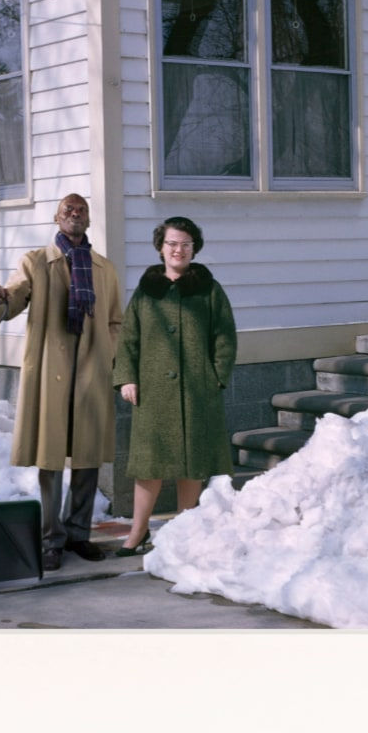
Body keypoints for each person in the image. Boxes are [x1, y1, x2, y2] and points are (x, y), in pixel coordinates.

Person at [0, 194, 123, 571]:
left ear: (89, 220)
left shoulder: (103, 268)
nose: (75, 215)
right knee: (51, 455)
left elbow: (115, 320)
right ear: (56, 218)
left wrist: (107, 350)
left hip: (92, 368)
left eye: (81, 210)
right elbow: (14, 298)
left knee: (88, 455)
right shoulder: (36, 263)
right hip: (51, 368)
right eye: (68, 211)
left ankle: (79, 533)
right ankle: (51, 537)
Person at [113, 216, 237, 556]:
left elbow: (224, 336)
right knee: (148, 465)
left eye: (185, 244)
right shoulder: (145, 292)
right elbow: (129, 339)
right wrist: (126, 377)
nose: (178, 250)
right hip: (152, 392)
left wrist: (217, 376)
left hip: (198, 391)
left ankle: (185, 528)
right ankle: (137, 533)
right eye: (172, 244)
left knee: (192, 462)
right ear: (160, 248)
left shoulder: (209, 290)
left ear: (194, 248)